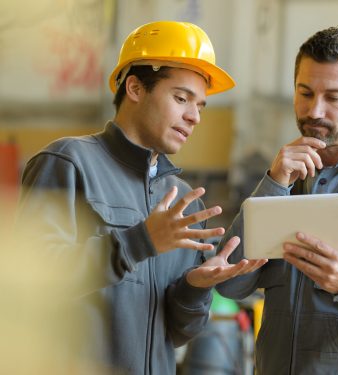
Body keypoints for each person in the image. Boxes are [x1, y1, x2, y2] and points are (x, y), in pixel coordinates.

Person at [13, 21, 266, 374]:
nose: (193, 117)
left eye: (201, 107)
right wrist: (139, 242)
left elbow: (179, 333)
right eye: (181, 98)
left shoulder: (184, 203)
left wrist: (195, 288)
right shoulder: (68, 164)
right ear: (134, 87)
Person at [216, 25, 338, 375]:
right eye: (305, 92)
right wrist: (275, 183)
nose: (315, 111)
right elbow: (231, 283)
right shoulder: (280, 178)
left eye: (334, 97)